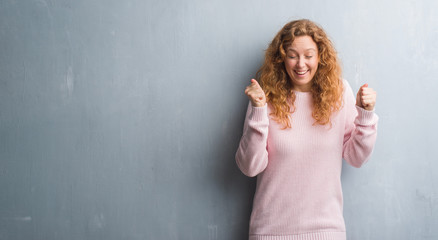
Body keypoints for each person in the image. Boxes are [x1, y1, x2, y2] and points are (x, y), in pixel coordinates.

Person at [235, 19, 378, 240]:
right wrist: (258, 111)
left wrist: (366, 115)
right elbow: (249, 167)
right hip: (270, 231)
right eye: (292, 55)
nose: (301, 64)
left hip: (326, 231)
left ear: (320, 56)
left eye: (308, 55)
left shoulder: (340, 93)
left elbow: (357, 158)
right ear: (282, 58)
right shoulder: (265, 98)